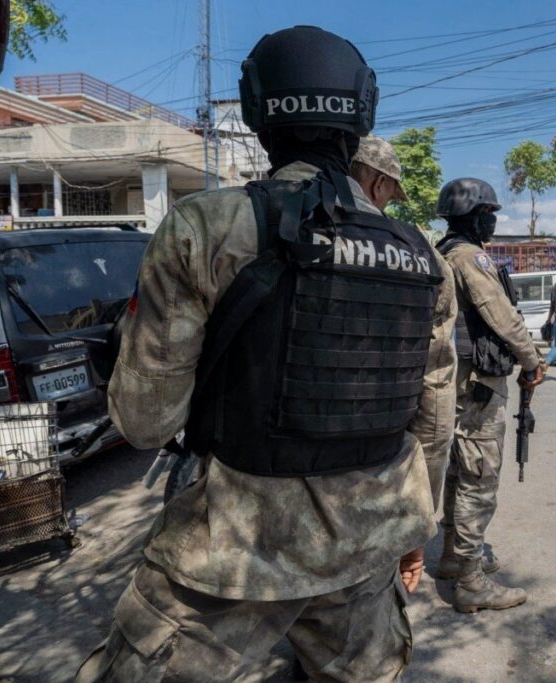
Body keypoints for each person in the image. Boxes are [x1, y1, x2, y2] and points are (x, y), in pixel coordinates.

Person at [75, 26, 456, 682]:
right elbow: (433, 423)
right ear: (360, 117)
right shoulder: (423, 257)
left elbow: (146, 421)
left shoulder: (205, 228)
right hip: (366, 560)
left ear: (257, 114)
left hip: (228, 560)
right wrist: (413, 532)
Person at [434, 178, 545, 614]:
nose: (494, 222)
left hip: (457, 383)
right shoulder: (470, 257)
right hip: (477, 384)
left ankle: (451, 558)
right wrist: (533, 361)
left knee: (460, 473)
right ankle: (471, 581)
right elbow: (502, 317)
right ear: (477, 216)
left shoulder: (443, 252)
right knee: (479, 479)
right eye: (491, 214)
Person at [352, 133, 457, 510]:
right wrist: (420, 514)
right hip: (370, 471)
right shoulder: (418, 252)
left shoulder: (250, 221)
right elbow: (435, 392)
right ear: (379, 184)